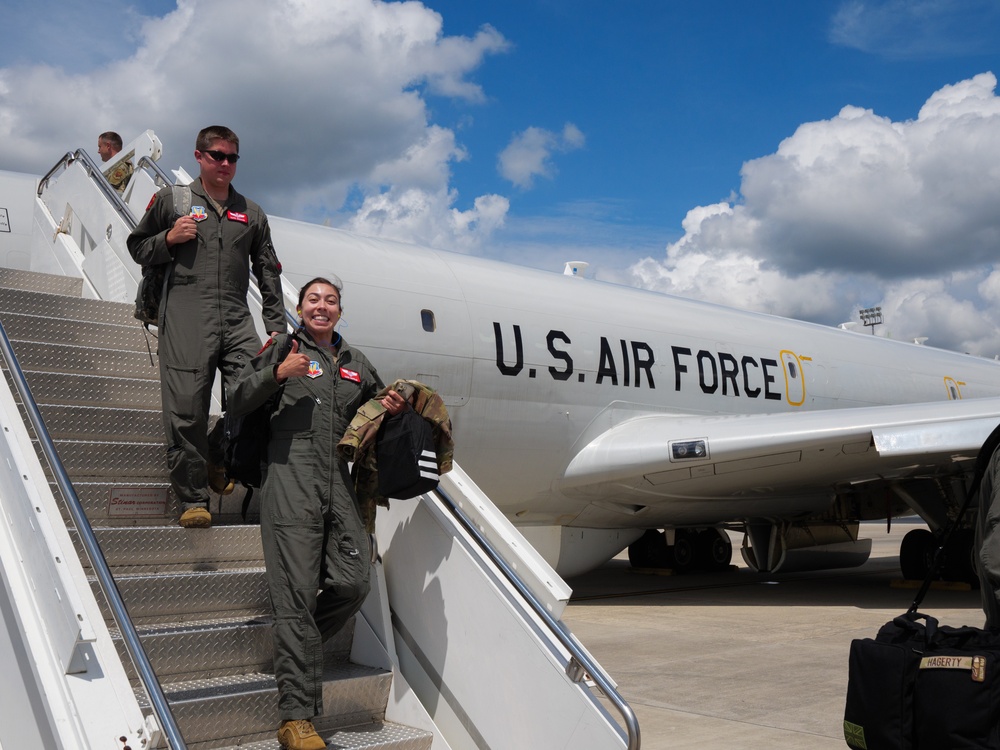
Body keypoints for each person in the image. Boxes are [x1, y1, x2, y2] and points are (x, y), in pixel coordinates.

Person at [229, 277, 407, 750]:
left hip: (339, 483)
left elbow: (372, 412)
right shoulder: (282, 348)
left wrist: (389, 408)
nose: (321, 307)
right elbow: (237, 397)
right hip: (290, 482)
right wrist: (277, 373)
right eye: (313, 300)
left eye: (330, 301)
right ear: (301, 307)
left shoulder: (355, 363)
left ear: (340, 310)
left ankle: (296, 648)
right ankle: (295, 719)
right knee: (297, 595)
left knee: (355, 581)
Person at [127, 125, 285, 529]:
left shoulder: (251, 213)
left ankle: (217, 451)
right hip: (184, 312)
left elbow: (267, 269)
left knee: (259, 390)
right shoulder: (173, 200)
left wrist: (276, 326)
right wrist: (168, 238)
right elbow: (138, 246)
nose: (226, 164)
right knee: (186, 408)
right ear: (199, 156)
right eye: (217, 155)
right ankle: (193, 499)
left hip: (234, 315)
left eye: (232, 157)